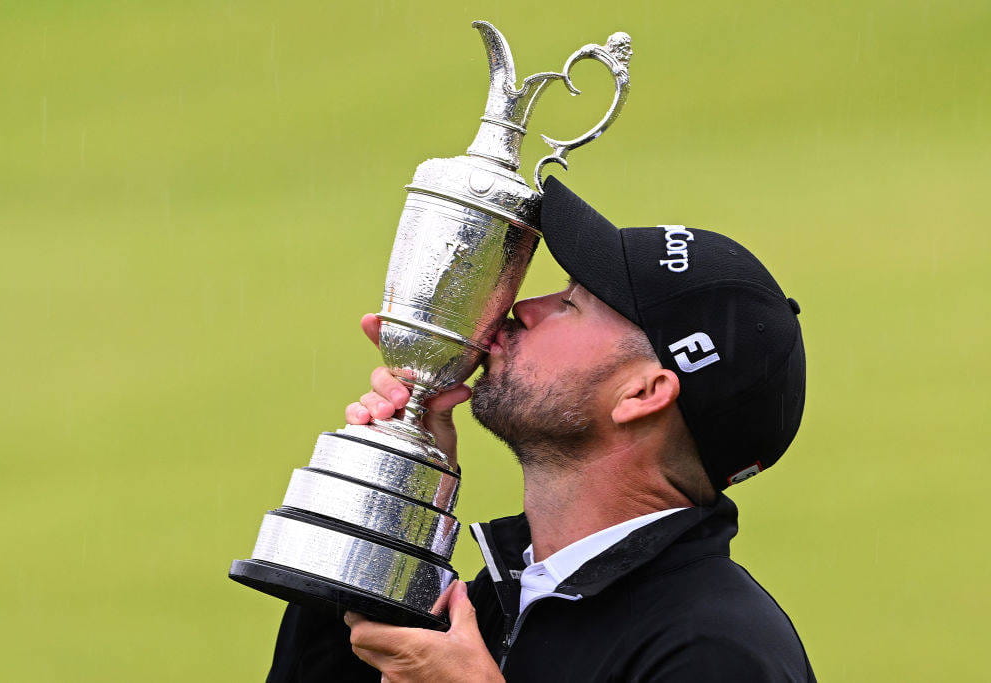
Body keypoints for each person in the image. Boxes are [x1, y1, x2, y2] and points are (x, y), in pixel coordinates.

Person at [265, 176, 814, 682]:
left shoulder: (718, 651)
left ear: (642, 394)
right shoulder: (490, 606)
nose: (526, 307)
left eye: (572, 303)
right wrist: (396, 504)